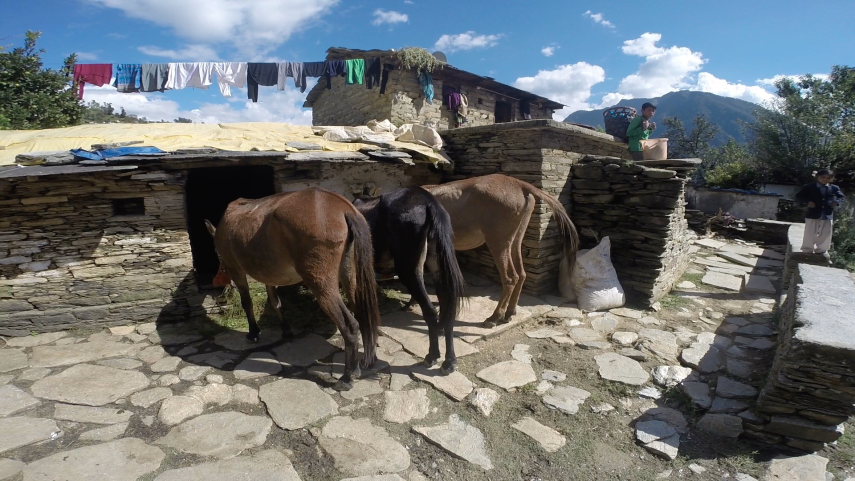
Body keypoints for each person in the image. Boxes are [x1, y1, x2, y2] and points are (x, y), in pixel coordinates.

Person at [795, 168, 845, 257]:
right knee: (810, 232)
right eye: (823, 177)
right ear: (818, 177)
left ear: (832, 179)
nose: (825, 179)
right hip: (812, 213)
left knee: (826, 233)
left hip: (827, 214)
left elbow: (841, 198)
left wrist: (836, 202)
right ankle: (807, 249)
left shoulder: (834, 188)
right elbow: (799, 197)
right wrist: (807, 202)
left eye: (828, 178)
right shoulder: (810, 187)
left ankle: (821, 250)